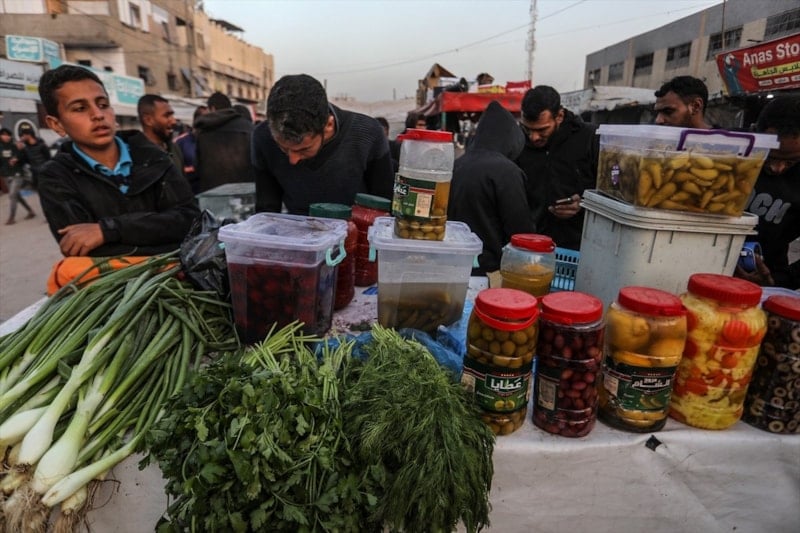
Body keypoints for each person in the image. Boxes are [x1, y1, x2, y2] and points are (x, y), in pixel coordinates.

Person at [36, 64, 199, 257]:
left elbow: (190, 221)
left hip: (180, 272)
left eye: (103, 105)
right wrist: (162, 234)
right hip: (117, 278)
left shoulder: (153, 156)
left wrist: (108, 230)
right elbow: (85, 250)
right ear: (56, 124)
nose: (98, 115)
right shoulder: (56, 177)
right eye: (80, 108)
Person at [251, 74, 394, 214]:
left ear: (328, 125)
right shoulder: (263, 137)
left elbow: (384, 206)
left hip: (358, 225)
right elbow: (266, 211)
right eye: (283, 148)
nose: (293, 160)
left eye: (304, 149)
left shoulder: (367, 134)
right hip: (297, 226)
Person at [448, 100, 535, 275]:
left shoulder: (457, 164)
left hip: (452, 264)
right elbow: (521, 232)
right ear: (511, 139)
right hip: (488, 271)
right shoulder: (507, 172)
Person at [516, 85, 598, 250]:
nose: (534, 137)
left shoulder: (589, 138)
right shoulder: (517, 141)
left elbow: (611, 190)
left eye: (542, 130)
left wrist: (583, 204)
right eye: (527, 129)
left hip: (580, 245)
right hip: (530, 245)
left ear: (559, 116)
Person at [736, 95, 800, 289]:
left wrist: (781, 280)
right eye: (770, 157)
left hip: (765, 281)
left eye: (790, 161)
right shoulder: (729, 152)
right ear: (755, 132)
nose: (777, 168)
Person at [194, 91, 256, 193]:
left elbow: (198, 168)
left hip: (213, 195)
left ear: (212, 108)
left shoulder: (203, 131)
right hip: (246, 193)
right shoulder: (249, 128)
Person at [137, 94, 185, 173]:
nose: (173, 121)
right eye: (167, 116)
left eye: (172, 115)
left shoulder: (174, 148)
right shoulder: (136, 155)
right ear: (148, 120)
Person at [2, 127, 36, 224]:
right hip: (6, 175)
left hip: (17, 174)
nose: (6, 137)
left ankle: (11, 218)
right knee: (17, 196)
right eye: (3, 135)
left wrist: (18, 157)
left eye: (8, 135)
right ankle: (30, 211)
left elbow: (24, 158)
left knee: (12, 195)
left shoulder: (15, 145)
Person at [174, 105, 208, 194]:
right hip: (190, 191)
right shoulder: (180, 142)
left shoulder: (212, 141)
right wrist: (193, 169)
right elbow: (174, 168)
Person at [17, 123, 52, 189]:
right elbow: (23, 162)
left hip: (46, 173)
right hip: (35, 175)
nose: (21, 137)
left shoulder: (41, 144)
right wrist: (20, 151)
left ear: (28, 134)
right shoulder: (25, 148)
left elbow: (49, 159)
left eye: (22, 135)